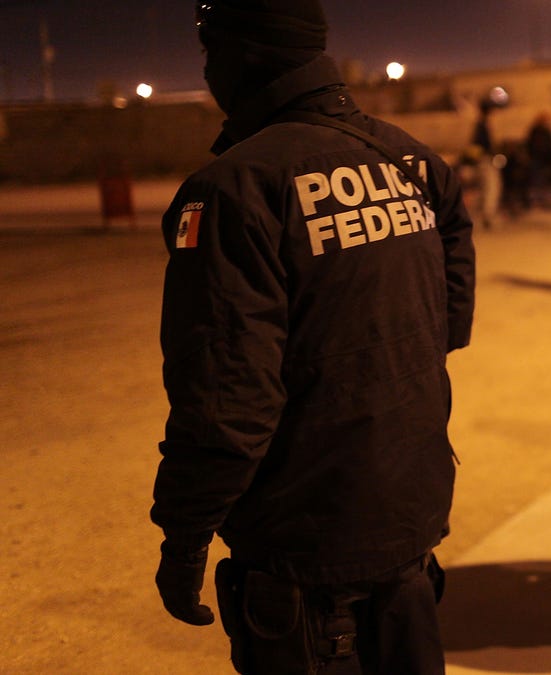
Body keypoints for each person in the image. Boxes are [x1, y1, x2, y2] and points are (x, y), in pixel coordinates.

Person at [150, 2, 475, 673]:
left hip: (307, 558)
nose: (210, 72)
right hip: (408, 524)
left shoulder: (233, 190)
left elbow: (227, 398)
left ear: (248, 55)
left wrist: (183, 538)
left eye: (213, 55)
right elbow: (446, 322)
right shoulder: (413, 163)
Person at [469, 98, 503, 229]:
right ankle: (487, 216)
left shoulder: (480, 124)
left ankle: (484, 215)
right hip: (485, 160)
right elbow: (480, 146)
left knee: (485, 188)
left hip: (482, 160)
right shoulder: (482, 125)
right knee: (491, 188)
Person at [525, 112, 551, 208]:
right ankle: (537, 201)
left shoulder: (540, 131)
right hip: (540, 160)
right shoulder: (540, 131)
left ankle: (539, 201)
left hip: (542, 160)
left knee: (540, 181)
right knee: (538, 181)